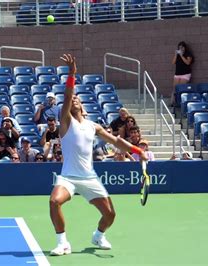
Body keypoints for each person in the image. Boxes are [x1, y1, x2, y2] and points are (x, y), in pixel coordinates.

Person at [49, 54, 147, 256]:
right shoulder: (66, 122)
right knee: (54, 201)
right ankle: (63, 242)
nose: (74, 100)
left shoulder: (93, 126)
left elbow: (117, 142)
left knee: (110, 214)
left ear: (82, 106)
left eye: (77, 99)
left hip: (89, 177)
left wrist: (139, 151)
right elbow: (68, 96)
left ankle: (98, 235)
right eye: (72, 99)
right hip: (68, 176)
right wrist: (72, 73)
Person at [171, 41, 193, 105]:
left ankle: (180, 102)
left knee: (181, 88)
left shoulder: (188, 54)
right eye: (179, 47)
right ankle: (172, 102)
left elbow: (187, 62)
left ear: (185, 48)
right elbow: (173, 62)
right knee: (174, 89)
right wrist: (176, 55)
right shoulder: (177, 55)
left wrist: (181, 56)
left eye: (182, 47)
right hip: (177, 74)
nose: (181, 49)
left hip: (185, 74)